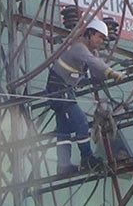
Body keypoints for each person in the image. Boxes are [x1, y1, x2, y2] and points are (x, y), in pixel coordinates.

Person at [46, 18, 125, 175]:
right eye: (99, 37)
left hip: (64, 89)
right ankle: (86, 157)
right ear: (89, 34)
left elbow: (96, 69)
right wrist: (112, 73)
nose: (101, 41)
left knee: (64, 129)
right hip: (59, 88)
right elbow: (94, 63)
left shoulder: (90, 52)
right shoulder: (78, 47)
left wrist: (106, 74)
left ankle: (63, 165)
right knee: (80, 121)